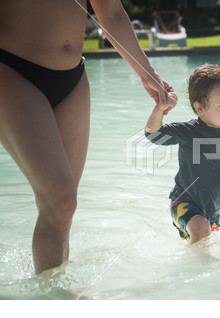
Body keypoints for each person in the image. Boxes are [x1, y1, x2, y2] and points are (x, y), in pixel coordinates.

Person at [0, 0, 174, 274]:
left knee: (62, 210)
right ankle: (54, 297)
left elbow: (111, 12)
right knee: (61, 200)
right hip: (11, 71)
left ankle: (54, 292)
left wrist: (147, 73)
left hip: (72, 78)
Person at [145, 63, 220, 245]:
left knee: (204, 236)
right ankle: (201, 267)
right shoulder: (188, 131)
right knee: (200, 228)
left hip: (212, 212)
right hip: (183, 204)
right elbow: (153, 135)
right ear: (200, 108)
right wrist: (159, 110)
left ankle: (197, 264)